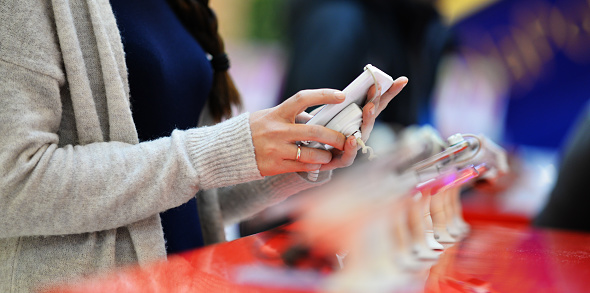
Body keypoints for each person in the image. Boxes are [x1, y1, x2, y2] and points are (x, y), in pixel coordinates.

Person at [0, 0, 408, 292]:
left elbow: (185, 193)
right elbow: (12, 183)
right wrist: (215, 151)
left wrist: (294, 154)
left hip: (188, 276)